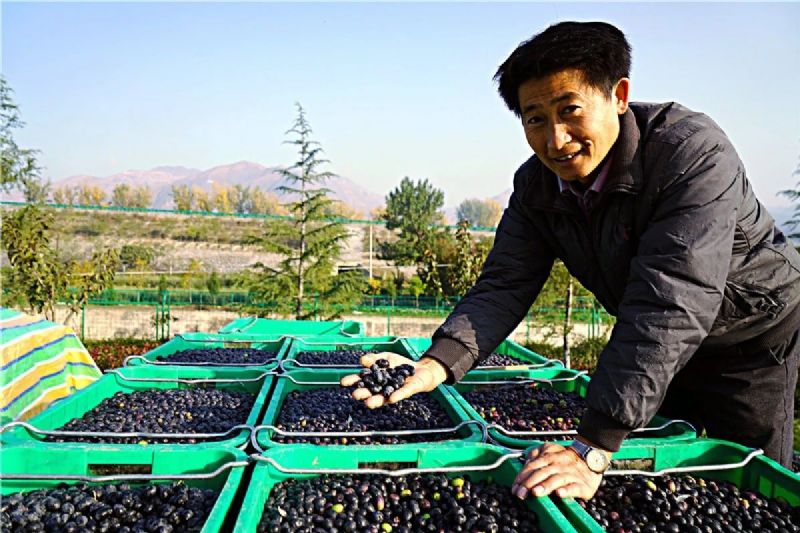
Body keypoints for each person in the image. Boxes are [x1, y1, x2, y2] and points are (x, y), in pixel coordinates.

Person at [341, 20, 800, 501]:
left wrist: (593, 446)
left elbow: (671, 299)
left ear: (618, 96)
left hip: (748, 339)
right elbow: (504, 283)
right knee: (667, 483)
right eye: (535, 119)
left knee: (747, 481)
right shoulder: (536, 186)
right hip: (660, 344)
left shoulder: (690, 154)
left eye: (570, 111)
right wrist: (438, 363)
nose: (556, 140)